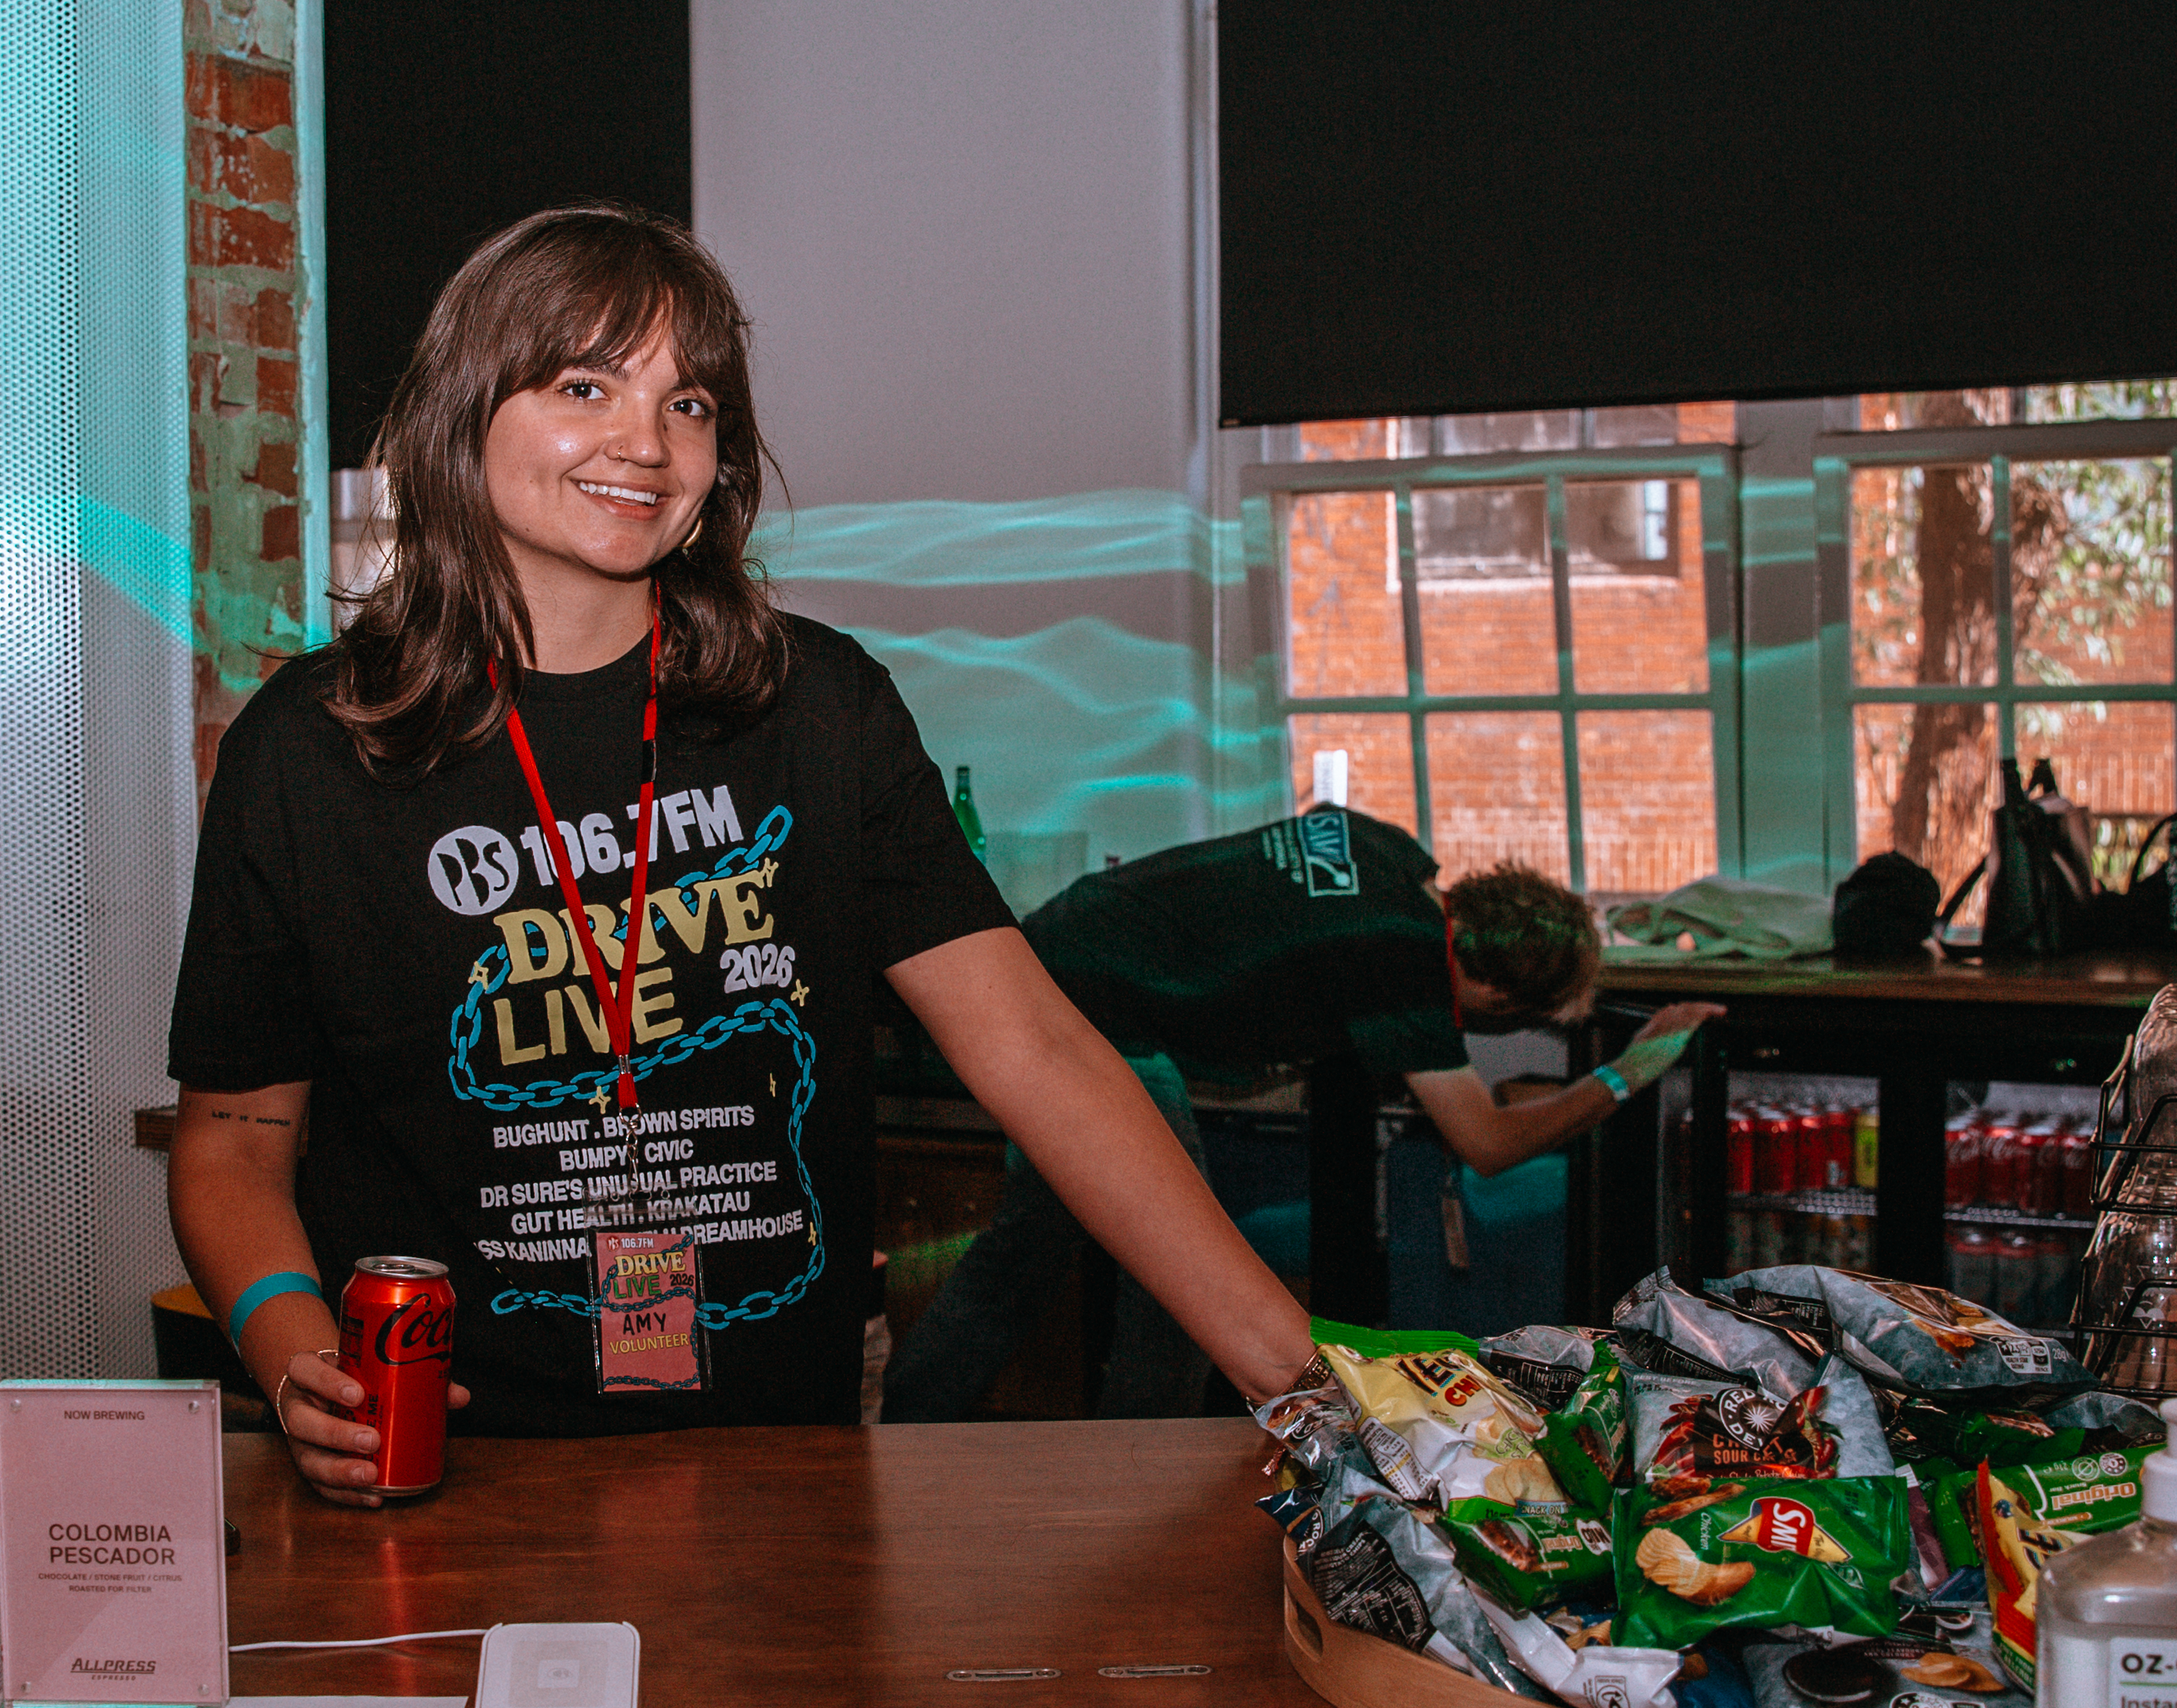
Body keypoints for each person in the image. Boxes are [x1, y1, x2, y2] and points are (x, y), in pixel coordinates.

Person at [163, 205, 1318, 1503]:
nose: (646, 443)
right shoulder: (310, 753)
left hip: (782, 1452)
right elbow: (233, 1140)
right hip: (456, 1465)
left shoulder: (816, 711)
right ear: (458, 411)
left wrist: (1309, 1387)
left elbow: (1037, 1055)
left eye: (690, 401)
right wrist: (297, 1359)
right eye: (584, 384)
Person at [879, 813, 1723, 1423]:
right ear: (1493, 991)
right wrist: (1627, 1071)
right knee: (1177, 1276)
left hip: (1061, 944)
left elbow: (1294, 930)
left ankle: (907, 1431)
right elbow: (1485, 1141)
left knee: (1027, 1253)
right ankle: (1141, 1465)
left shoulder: (1385, 848)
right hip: (1096, 1016)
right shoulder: (1404, 958)